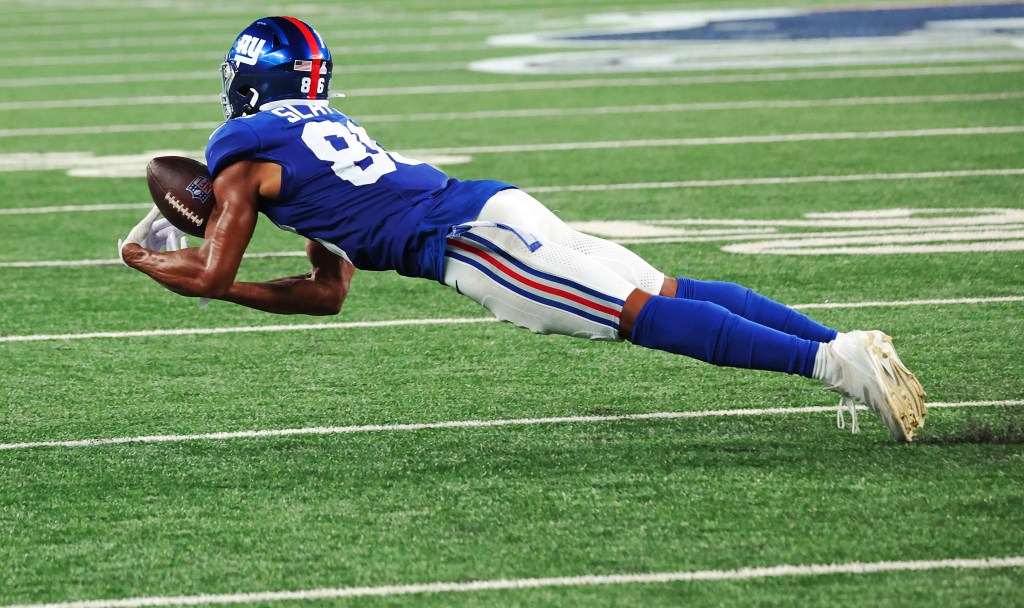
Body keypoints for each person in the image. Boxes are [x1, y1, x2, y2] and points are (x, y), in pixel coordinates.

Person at [119, 16, 926, 441]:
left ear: (245, 81)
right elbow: (328, 292)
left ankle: (833, 364)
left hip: (471, 246)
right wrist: (208, 256)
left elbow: (213, 278)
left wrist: (147, 261)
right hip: (493, 205)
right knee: (662, 287)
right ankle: (844, 340)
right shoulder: (320, 136)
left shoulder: (240, 150)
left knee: (640, 314)